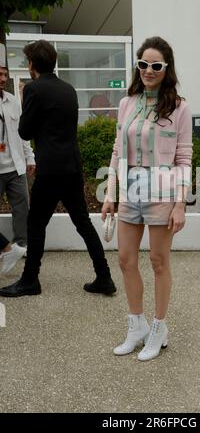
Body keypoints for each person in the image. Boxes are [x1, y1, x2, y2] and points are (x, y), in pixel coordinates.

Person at [0, 40, 116, 297]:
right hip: (71, 167)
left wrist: (25, 100)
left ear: (32, 65)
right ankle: (104, 276)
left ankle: (30, 280)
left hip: (51, 171)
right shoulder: (69, 89)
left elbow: (24, 131)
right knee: (83, 223)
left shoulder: (33, 90)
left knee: (35, 224)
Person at [102, 36, 193, 361]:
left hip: (163, 191)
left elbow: (184, 158)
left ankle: (159, 327)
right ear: (137, 66)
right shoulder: (128, 102)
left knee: (158, 262)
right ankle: (136, 325)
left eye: (156, 65)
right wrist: (110, 192)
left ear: (166, 68)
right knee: (126, 260)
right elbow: (117, 150)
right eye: (143, 64)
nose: (148, 70)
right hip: (130, 189)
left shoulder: (179, 107)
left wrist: (181, 204)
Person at [0, 64, 35, 249]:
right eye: (0, 74)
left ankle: (22, 247)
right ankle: (4, 247)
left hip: (15, 167)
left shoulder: (13, 101)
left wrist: (30, 157)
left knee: (22, 211)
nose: (4, 79)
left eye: (5, 74)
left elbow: (23, 132)